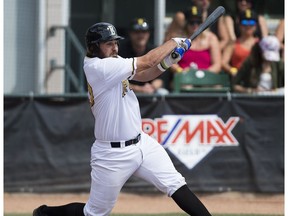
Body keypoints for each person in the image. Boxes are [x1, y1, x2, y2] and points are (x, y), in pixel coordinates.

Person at [33, 22, 212, 216]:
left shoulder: (113, 60)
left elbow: (143, 75)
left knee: (176, 185)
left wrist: (168, 62)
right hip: (112, 154)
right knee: (94, 213)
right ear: (94, 47)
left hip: (142, 143)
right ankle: (46, 213)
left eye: (115, 42)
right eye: (108, 43)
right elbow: (146, 61)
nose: (115, 47)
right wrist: (175, 41)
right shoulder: (99, 67)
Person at [119, 18, 168, 95]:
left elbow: (161, 78)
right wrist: (140, 89)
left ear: (148, 34)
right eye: (137, 32)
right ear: (130, 33)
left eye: (144, 32)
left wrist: (152, 87)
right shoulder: (121, 52)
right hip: (126, 93)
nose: (141, 35)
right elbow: (118, 82)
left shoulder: (153, 51)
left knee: (163, 93)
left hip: (150, 93)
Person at [170, 4, 222, 74]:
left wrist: (202, 74)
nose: (195, 25)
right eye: (192, 22)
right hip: (184, 79)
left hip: (206, 79)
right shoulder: (178, 39)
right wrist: (181, 71)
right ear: (186, 23)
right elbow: (171, 61)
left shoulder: (211, 38)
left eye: (198, 22)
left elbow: (217, 65)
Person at [164, 0, 229, 51]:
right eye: (192, 22)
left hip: (206, 56)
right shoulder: (182, 16)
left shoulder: (216, 14)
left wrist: (209, 52)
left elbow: (225, 39)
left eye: (198, 22)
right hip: (184, 55)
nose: (205, 1)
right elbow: (169, 39)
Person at [222, 9, 259, 77]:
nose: (248, 26)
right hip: (238, 77)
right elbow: (224, 63)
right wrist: (232, 70)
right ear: (239, 25)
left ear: (256, 26)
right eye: (244, 22)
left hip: (256, 77)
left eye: (251, 22)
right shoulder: (233, 43)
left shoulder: (260, 43)